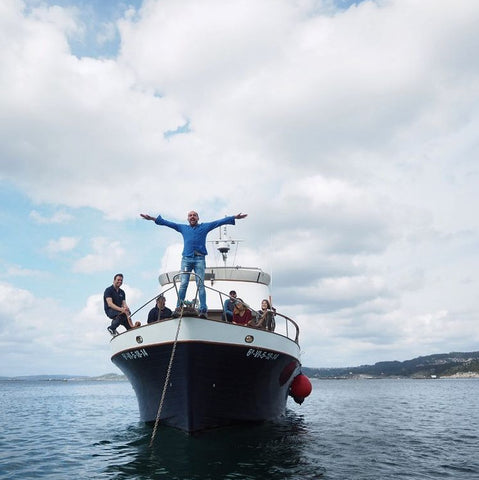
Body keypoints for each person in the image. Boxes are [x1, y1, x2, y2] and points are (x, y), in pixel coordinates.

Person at [140, 210, 248, 318]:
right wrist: (153, 219)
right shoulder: (183, 228)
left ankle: (203, 310)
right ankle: (179, 307)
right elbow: (168, 223)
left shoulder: (204, 227)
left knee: (200, 284)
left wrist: (234, 217)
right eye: (190, 215)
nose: (192, 217)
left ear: (198, 218)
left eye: (194, 215)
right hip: (186, 259)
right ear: (188, 219)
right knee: (183, 284)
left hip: (199, 259)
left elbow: (218, 222)